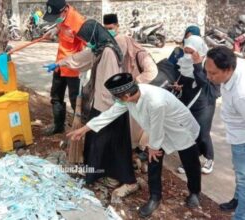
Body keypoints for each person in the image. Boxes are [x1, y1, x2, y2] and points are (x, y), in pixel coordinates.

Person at [67, 73, 202, 218]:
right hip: (158, 129)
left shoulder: (155, 102)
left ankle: (194, 192)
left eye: (118, 98)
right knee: (153, 162)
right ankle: (155, 197)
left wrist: (153, 147)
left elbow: (157, 128)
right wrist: (84, 129)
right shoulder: (129, 97)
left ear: (126, 96)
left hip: (179, 128)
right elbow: (110, 114)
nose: (117, 101)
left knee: (190, 161)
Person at [45, 19, 139, 197]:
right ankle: (99, 173)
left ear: (95, 35)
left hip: (109, 107)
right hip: (100, 104)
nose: (88, 42)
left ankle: (123, 178)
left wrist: (105, 110)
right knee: (97, 143)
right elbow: (81, 58)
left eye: (88, 38)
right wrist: (59, 63)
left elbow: (111, 84)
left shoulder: (109, 52)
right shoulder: (100, 48)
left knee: (113, 146)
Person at [103, 13, 158, 152]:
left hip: (138, 92)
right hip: (126, 94)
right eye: (106, 28)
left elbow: (152, 71)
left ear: (117, 27)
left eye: (111, 27)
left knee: (139, 123)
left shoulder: (139, 53)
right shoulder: (116, 51)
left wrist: (135, 83)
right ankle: (131, 147)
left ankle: (141, 148)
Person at [205, 46, 245, 219]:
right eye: (207, 71)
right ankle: (237, 200)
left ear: (228, 69)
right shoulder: (236, 67)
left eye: (213, 73)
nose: (208, 77)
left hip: (242, 137)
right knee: (239, 172)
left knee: (243, 179)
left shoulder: (241, 94)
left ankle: (240, 215)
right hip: (235, 130)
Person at [170, 35, 219, 174]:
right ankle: (190, 160)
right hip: (188, 100)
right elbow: (185, 80)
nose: (187, 55)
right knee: (188, 131)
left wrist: (197, 65)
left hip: (205, 103)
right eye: (185, 51)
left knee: (203, 132)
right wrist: (179, 86)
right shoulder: (184, 62)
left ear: (199, 51)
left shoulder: (207, 64)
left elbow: (205, 83)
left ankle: (209, 158)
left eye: (191, 52)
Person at [41, 0, 86, 136]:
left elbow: (87, 49)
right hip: (59, 65)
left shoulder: (78, 22)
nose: (55, 19)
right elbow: (61, 27)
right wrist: (54, 31)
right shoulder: (61, 17)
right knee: (56, 97)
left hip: (73, 68)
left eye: (56, 16)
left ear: (65, 10)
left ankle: (81, 130)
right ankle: (58, 126)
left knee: (75, 101)